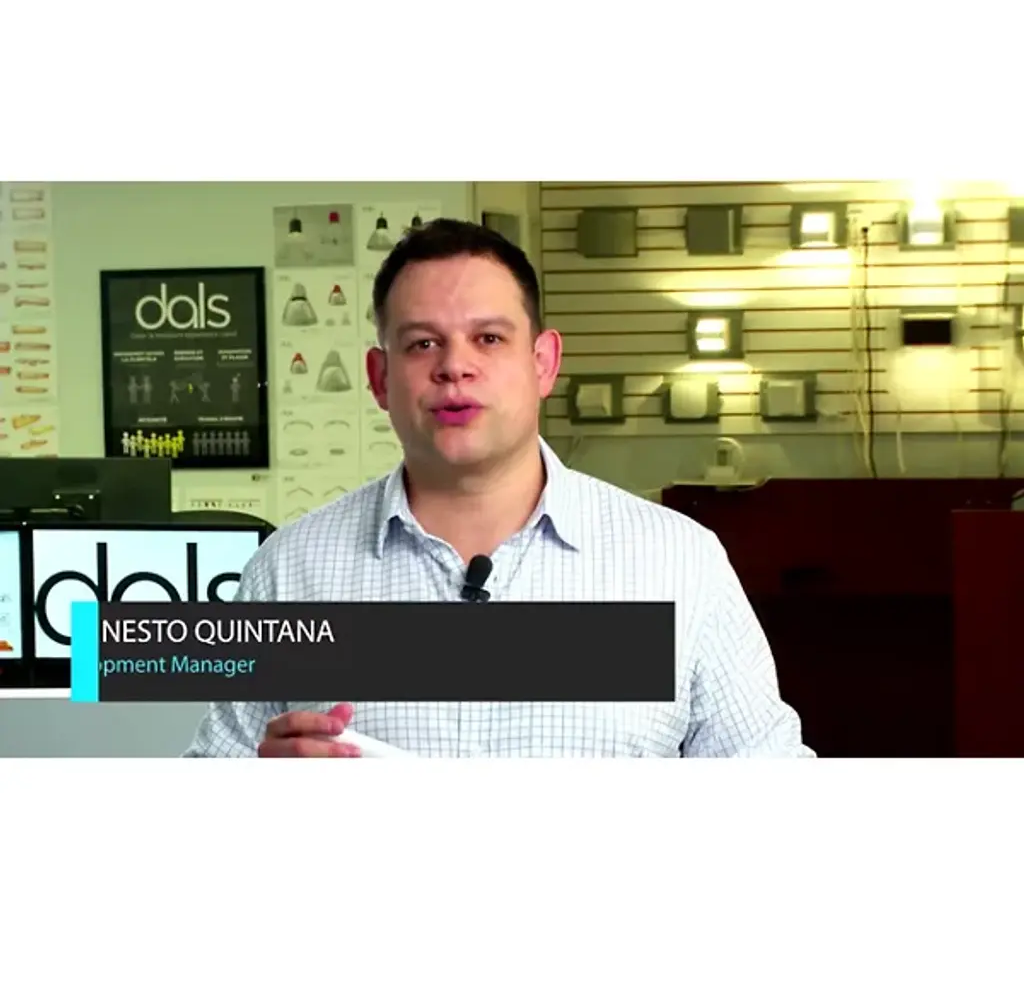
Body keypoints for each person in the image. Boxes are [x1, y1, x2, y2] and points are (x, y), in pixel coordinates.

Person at [184, 218, 812, 758]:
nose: (454, 366)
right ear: (379, 378)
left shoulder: (679, 563)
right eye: (422, 343)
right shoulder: (289, 572)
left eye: (489, 338)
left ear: (543, 363)